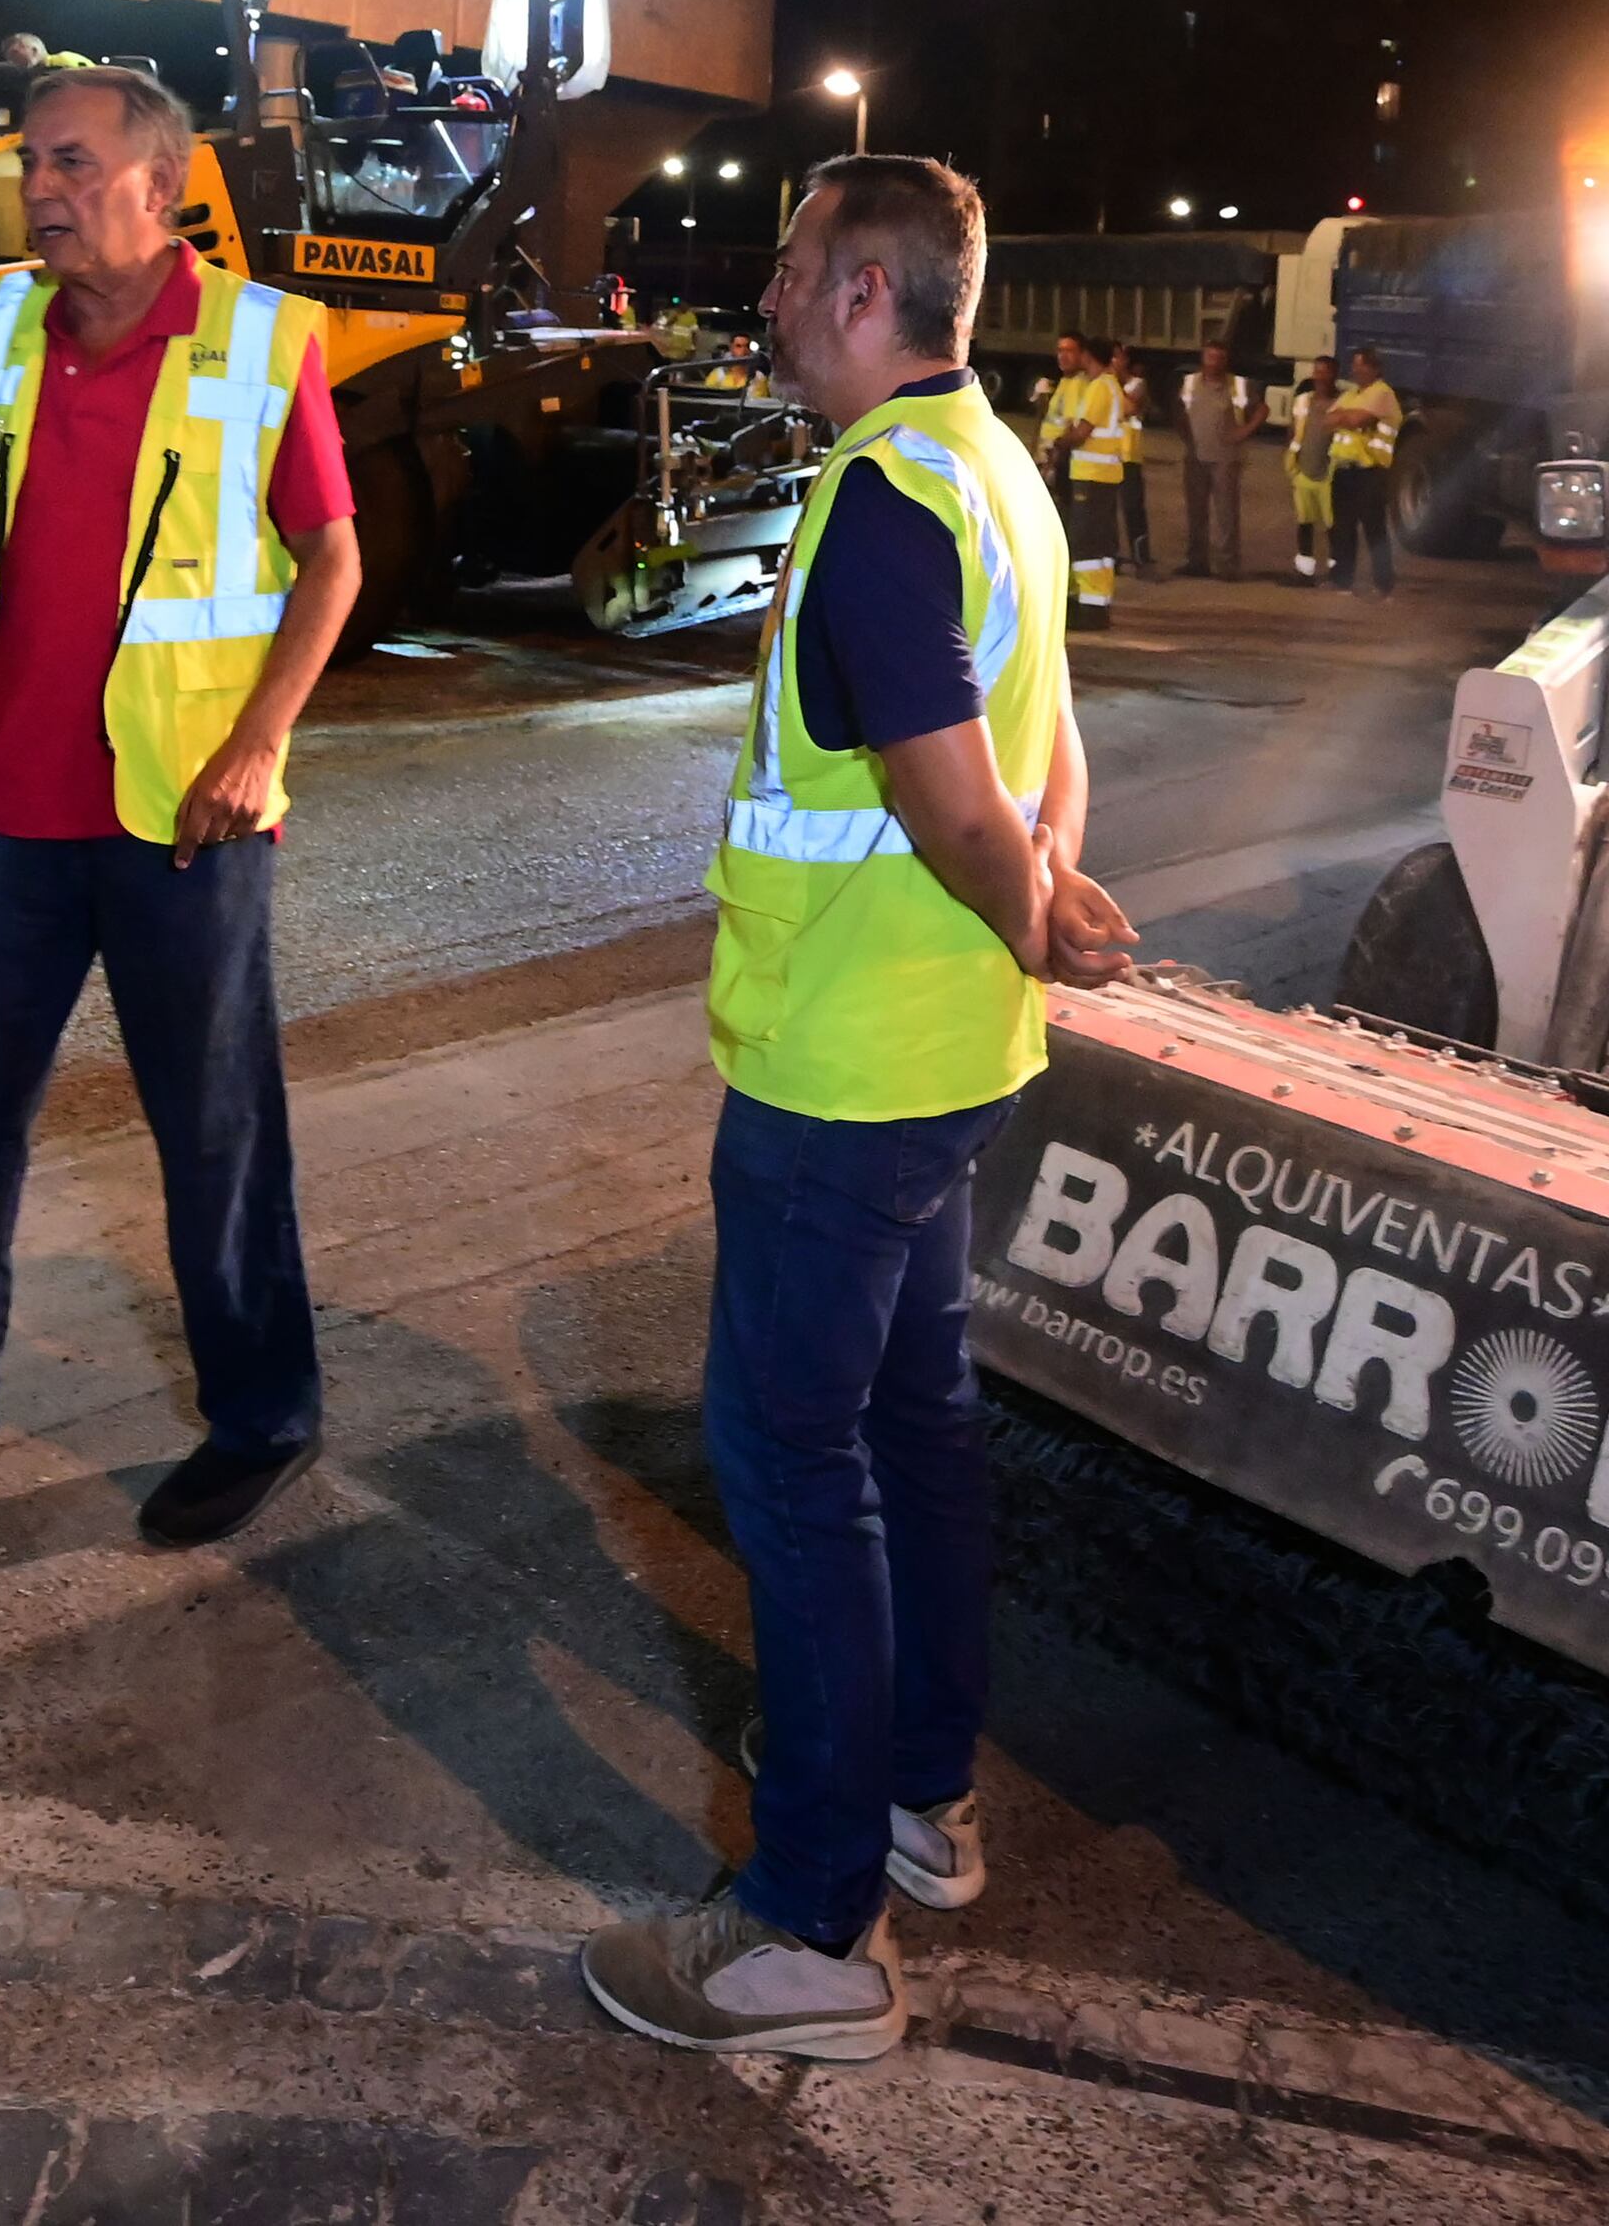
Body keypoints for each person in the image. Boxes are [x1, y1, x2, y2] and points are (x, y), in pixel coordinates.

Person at [582, 152, 1138, 2064]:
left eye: (794, 264)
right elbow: (1050, 735)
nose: (769, 295)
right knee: (923, 1430)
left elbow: (942, 786)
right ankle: (918, 1791)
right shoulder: (993, 464)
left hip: (841, 1072)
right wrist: (1047, 900)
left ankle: (811, 1930)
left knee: (793, 1469)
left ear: (868, 292)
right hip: (951, 1058)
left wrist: (1036, 904)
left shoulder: (887, 498)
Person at [0, 63, 361, 1579]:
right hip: (8, 811)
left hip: (183, 819)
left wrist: (255, 741)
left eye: (70, 161)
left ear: (155, 186)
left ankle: (262, 1415)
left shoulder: (254, 341)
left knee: (216, 1136)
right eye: (33, 160)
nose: (38, 184)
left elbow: (330, 565)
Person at [1034, 332, 1125, 623]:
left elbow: (1080, 431)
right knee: (1091, 542)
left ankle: (1091, 608)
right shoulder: (1103, 386)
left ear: (1087, 356)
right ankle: (1089, 602)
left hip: (1091, 474)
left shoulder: (1098, 387)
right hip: (1092, 473)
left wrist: (1061, 443)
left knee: (1086, 542)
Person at [1324, 347, 1404, 597]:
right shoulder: (1351, 394)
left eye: (1360, 366)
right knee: (1342, 528)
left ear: (1375, 368)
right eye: (1354, 365)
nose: (1355, 370)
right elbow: (1327, 420)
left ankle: (1383, 584)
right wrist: (1349, 416)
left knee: (1374, 528)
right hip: (1344, 469)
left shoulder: (1382, 393)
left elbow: (1356, 420)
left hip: (1371, 470)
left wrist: (1346, 417)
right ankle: (1343, 581)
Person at [1176, 340, 1259, 578]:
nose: (1214, 362)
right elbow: (1178, 410)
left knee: (1226, 514)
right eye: (1210, 357)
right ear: (1203, 358)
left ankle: (1228, 565)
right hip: (1196, 458)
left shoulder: (1239, 385)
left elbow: (1261, 409)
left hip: (1226, 459)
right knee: (1196, 512)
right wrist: (1186, 439)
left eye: (1219, 358)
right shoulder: (1190, 382)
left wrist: (1245, 431)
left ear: (1226, 360)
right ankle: (1197, 562)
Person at [1104, 345, 1156, 581]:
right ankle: (1111, 556)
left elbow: (1128, 407)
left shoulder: (1137, 384)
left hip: (1129, 456)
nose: (1115, 361)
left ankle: (1141, 557)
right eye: (1112, 356)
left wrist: (1113, 381)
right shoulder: (1104, 384)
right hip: (1107, 456)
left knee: (1133, 509)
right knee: (1107, 510)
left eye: (1119, 356)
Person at [1284, 359, 1337, 583]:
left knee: (1333, 525)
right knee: (1304, 522)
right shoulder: (1303, 401)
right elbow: (1293, 430)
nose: (1319, 377)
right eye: (1317, 372)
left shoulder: (1343, 404)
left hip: (1330, 474)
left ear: (1334, 375)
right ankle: (1305, 571)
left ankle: (1338, 571)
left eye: (1324, 372)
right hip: (1303, 471)